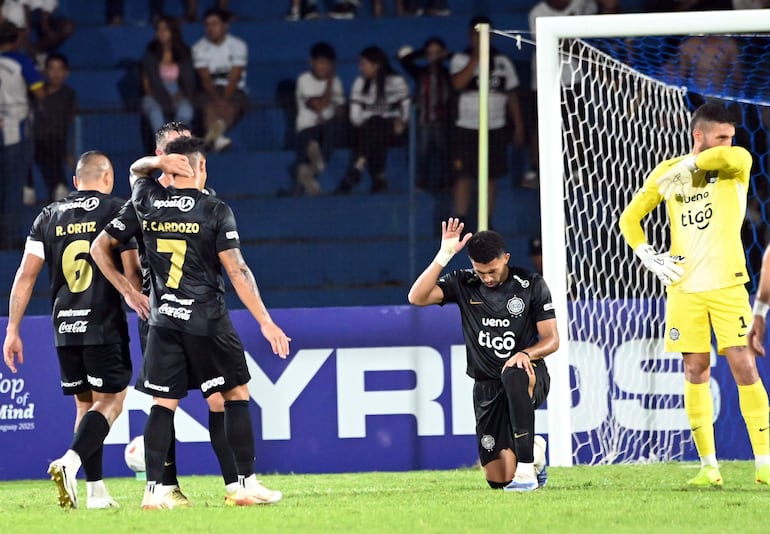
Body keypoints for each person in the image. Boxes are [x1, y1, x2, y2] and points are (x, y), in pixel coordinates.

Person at [94, 136, 290, 509]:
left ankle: (154, 491)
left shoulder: (147, 199)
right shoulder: (215, 209)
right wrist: (265, 322)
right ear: (201, 168)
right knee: (235, 395)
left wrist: (160, 165)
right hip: (207, 320)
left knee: (163, 403)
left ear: (171, 166)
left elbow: (137, 170)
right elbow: (238, 271)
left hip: (164, 319)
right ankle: (245, 484)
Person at [618, 102, 770, 487]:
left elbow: (729, 155)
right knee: (694, 370)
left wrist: (691, 166)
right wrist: (646, 254)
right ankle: (708, 466)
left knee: (744, 367)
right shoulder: (666, 173)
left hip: (727, 283)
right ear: (697, 135)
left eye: (730, 136)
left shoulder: (736, 162)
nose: (727, 142)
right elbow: (629, 219)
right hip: (684, 287)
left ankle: (765, 462)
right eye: (719, 135)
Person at [2, 151, 140, 509]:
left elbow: (25, 276)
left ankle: (95, 492)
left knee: (85, 405)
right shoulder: (118, 209)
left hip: (64, 326)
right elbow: (131, 268)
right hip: (103, 323)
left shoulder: (47, 215)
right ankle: (71, 461)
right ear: (108, 178)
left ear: (77, 181)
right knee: (112, 400)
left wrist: (12, 330)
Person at [408, 218, 557, 491]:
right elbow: (416, 297)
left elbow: (552, 340)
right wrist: (445, 255)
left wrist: (525, 352)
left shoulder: (531, 284)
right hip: (486, 386)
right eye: (481, 271)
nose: (487, 278)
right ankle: (533, 452)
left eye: (492, 270)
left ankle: (526, 471)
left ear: (506, 259)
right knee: (498, 480)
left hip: (528, 375)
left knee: (513, 372)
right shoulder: (463, 282)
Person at [450, 16, 525, 227]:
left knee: (491, 175)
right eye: (475, 34)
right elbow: (457, 84)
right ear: (469, 35)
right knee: (463, 174)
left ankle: (487, 221)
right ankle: (461, 220)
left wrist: (518, 124)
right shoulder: (460, 58)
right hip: (467, 125)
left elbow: (512, 94)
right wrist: (476, 57)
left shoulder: (502, 61)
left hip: (496, 125)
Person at [335, 45, 410, 194]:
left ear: (376, 65)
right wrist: (375, 116)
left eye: (364, 64)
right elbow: (355, 118)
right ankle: (378, 176)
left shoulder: (396, 82)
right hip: (366, 129)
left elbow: (406, 111)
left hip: (394, 130)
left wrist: (400, 120)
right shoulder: (360, 83)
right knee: (375, 125)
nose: (360, 68)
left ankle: (359, 166)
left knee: (377, 125)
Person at [0, 20, 44, 244]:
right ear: (16, 38)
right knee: (14, 184)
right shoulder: (20, 61)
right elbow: (39, 92)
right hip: (16, 129)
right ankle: (9, 237)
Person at [398, 37, 453, 192]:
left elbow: (457, 58)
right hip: (425, 121)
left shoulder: (449, 73)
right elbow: (405, 61)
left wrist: (445, 55)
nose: (434, 55)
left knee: (445, 153)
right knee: (422, 154)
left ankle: (447, 183)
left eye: (437, 52)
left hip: (443, 120)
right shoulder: (421, 72)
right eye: (431, 52)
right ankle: (420, 183)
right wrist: (423, 53)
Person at [291, 41, 346, 196]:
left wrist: (339, 108)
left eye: (327, 64)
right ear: (312, 62)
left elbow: (341, 110)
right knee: (311, 137)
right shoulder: (304, 80)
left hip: (329, 129)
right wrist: (330, 84)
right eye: (321, 63)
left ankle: (308, 171)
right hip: (307, 129)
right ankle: (313, 163)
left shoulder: (338, 82)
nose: (324, 68)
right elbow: (319, 106)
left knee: (334, 127)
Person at [192, 7, 248, 152]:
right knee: (208, 106)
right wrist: (218, 100)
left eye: (215, 24)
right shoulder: (199, 48)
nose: (211, 28)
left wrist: (224, 100)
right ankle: (218, 139)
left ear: (224, 26)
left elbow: (235, 77)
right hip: (210, 90)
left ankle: (212, 138)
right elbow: (205, 79)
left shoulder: (238, 46)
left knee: (231, 105)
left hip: (235, 90)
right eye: (207, 24)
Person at [32, 51, 76, 203]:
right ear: (45, 71)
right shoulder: (35, 92)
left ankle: (59, 187)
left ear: (66, 73)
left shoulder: (69, 95)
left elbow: (71, 125)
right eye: (52, 68)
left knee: (51, 145)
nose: (55, 73)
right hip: (34, 139)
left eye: (60, 69)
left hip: (56, 141)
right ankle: (31, 187)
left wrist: (70, 151)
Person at [140, 15, 196, 135]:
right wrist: (161, 97)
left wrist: (180, 94)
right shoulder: (150, 54)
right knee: (155, 113)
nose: (161, 33)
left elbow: (188, 81)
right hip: (154, 94)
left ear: (173, 31)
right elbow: (147, 85)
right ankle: (163, 145)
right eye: (158, 29)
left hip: (177, 93)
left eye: (165, 29)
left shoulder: (183, 53)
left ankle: (174, 141)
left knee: (186, 111)